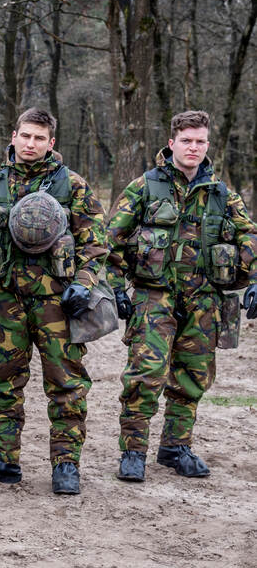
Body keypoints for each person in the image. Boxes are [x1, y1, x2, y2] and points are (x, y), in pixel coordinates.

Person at [0, 108, 109, 495]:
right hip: (5, 299)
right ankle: (2, 459)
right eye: (25, 136)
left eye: (39, 138)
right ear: (13, 136)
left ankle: (66, 464)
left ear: (51, 143)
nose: (31, 144)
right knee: (0, 382)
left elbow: (95, 243)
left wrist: (84, 283)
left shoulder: (72, 185)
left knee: (67, 384)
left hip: (57, 302)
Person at [108, 110, 257, 481]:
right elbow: (111, 241)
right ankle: (133, 451)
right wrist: (114, 287)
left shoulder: (222, 194)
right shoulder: (144, 187)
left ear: (208, 144)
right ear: (171, 143)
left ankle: (176, 447)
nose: (194, 147)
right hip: (153, 296)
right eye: (187, 141)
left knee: (192, 377)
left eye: (200, 141)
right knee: (144, 375)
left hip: (204, 300)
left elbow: (249, 236)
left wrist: (255, 277)